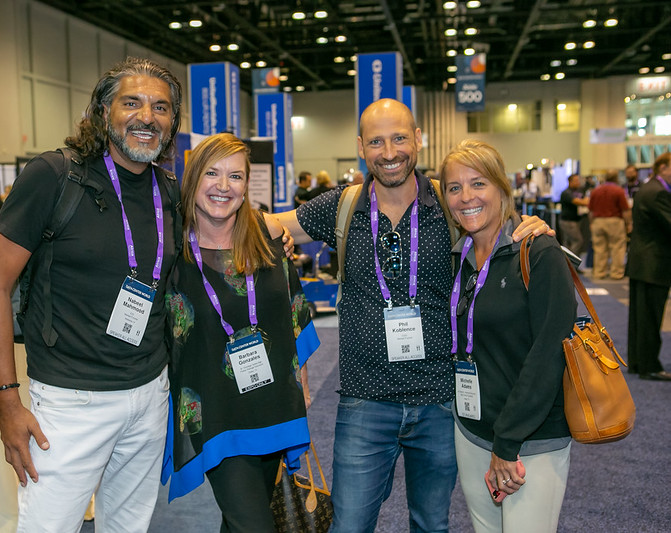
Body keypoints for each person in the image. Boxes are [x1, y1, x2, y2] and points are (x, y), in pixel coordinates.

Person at [274, 98, 551, 533]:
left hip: (441, 400)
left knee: (430, 524)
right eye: (377, 141)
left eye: (400, 138)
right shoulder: (342, 206)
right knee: (349, 525)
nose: (390, 152)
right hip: (365, 400)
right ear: (361, 146)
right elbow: (270, 226)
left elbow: (503, 228)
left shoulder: (451, 202)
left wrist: (532, 225)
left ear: (418, 139)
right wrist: (216, 203)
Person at [0, 57, 183, 532]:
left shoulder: (168, 190)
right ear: (103, 111)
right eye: (131, 103)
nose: (147, 117)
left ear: (172, 123)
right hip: (71, 403)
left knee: (127, 528)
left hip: (150, 394)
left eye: (161, 107)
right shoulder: (53, 176)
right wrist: (8, 404)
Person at [162, 133, 319, 531]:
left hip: (272, 406)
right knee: (254, 525)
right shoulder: (168, 249)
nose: (223, 186)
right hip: (216, 413)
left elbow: (291, 315)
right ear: (193, 178)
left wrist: (300, 385)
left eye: (235, 176)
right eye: (212, 173)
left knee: (240, 524)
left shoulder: (267, 239)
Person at [441, 139, 576, 533]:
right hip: (471, 429)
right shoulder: (458, 258)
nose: (466, 197)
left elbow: (549, 355)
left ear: (502, 187)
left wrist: (507, 442)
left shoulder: (538, 253)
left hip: (529, 439)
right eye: (454, 187)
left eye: (478, 183)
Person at [626, 152, 671, 381]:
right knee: (650, 318)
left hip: (643, 262)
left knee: (640, 317)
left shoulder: (648, 187)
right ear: (662, 167)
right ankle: (649, 365)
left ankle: (638, 362)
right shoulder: (659, 192)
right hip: (654, 263)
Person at [588, 169, 631, 280]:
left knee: (599, 249)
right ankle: (616, 273)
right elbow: (625, 210)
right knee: (617, 248)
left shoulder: (595, 191)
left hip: (598, 221)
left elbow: (591, 211)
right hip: (614, 221)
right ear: (616, 178)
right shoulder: (619, 191)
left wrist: (591, 223)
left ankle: (599, 272)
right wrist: (628, 223)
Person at [558, 173, 588, 258]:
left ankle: (570, 266)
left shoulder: (577, 191)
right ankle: (572, 264)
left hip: (575, 220)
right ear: (570, 182)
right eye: (576, 181)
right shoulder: (566, 193)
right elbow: (580, 202)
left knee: (568, 243)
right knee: (578, 241)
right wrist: (585, 201)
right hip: (568, 221)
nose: (578, 182)